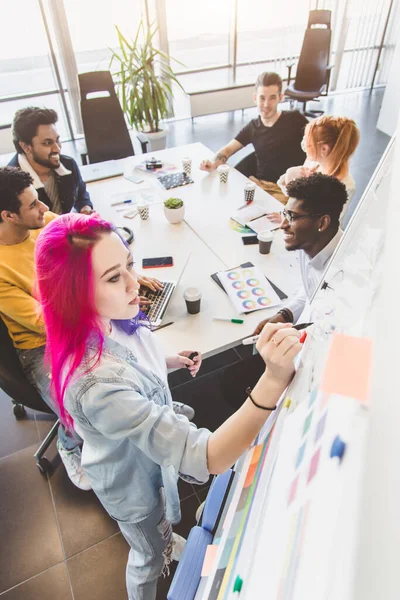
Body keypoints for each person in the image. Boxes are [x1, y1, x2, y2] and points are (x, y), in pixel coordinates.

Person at [34, 212, 302, 599]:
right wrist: (273, 380)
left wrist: (170, 360)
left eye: (128, 263)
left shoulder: (113, 316)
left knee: (162, 526)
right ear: (74, 294)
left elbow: (135, 355)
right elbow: (206, 456)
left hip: (151, 462)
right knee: (146, 552)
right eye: (113, 277)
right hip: (132, 485)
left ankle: (163, 539)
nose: (133, 283)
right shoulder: (95, 384)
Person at [0, 167, 193, 490]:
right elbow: (43, 320)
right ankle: (70, 441)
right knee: (81, 401)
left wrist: (120, 272)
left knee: (135, 353)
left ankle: (147, 401)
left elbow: (93, 247)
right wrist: (110, 298)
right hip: (42, 342)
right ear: (8, 215)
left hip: (85, 311)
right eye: (33, 205)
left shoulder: (46, 224)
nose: (45, 209)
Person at [254, 173, 348, 335]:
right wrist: (285, 315)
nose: (283, 225)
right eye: (285, 214)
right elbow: (310, 291)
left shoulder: (344, 277)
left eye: (292, 216)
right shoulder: (310, 243)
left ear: (322, 223)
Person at [200, 72, 307, 202]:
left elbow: (320, 144)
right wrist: (212, 163)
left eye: (272, 98)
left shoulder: (295, 119)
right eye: (262, 98)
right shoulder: (253, 127)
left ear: (281, 98)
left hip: (287, 190)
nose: (266, 104)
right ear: (255, 98)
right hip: (260, 186)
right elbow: (228, 150)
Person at [270, 116, 360, 225]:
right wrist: (291, 174)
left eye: (308, 142)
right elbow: (285, 188)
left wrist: (289, 219)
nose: (304, 144)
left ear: (324, 149)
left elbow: (320, 225)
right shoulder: (314, 163)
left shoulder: (345, 186)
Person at [8, 106, 93, 215]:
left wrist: (84, 207)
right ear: (26, 147)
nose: (57, 148)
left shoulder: (68, 164)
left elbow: (81, 193)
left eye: (57, 140)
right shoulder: (10, 184)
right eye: (47, 143)